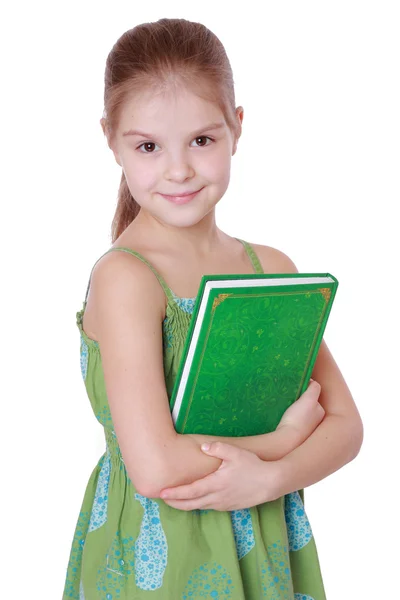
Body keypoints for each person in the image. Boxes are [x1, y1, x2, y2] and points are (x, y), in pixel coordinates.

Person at [62, 17, 363, 600]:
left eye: (202, 140)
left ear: (236, 127)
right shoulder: (127, 278)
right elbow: (153, 467)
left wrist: (270, 479)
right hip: (161, 555)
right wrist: (279, 445)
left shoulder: (270, 271)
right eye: (148, 146)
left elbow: (347, 429)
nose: (178, 169)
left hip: (267, 543)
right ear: (110, 137)